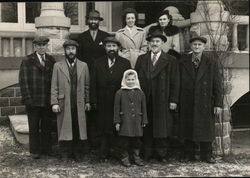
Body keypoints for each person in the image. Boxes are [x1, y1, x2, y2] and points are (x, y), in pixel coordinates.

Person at [134, 30, 180, 162]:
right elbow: (136, 78)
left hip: (163, 99)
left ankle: (162, 154)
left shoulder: (170, 60)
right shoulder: (141, 59)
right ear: (148, 43)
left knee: (162, 127)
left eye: (157, 41)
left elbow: (175, 81)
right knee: (146, 126)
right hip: (145, 98)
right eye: (152, 41)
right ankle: (147, 153)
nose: (154, 44)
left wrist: (174, 100)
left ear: (162, 43)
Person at [179, 35, 223, 164]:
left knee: (206, 128)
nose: (197, 47)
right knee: (187, 127)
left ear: (204, 47)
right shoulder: (183, 61)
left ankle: (207, 155)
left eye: (199, 45)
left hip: (205, 102)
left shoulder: (211, 62)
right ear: (191, 47)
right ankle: (189, 154)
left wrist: (218, 104)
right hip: (187, 100)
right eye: (194, 45)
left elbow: (217, 85)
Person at [90, 36, 131, 161]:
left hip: (119, 100)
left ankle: (118, 152)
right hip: (102, 100)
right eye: (109, 46)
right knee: (103, 125)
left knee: (118, 125)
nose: (111, 49)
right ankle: (103, 152)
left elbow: (129, 82)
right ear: (105, 48)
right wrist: (93, 100)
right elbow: (93, 83)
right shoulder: (97, 62)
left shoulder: (125, 63)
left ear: (118, 48)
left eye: (114, 46)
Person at [50, 40, 91, 161]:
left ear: (76, 50)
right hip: (64, 103)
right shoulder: (58, 66)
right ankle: (64, 153)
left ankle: (77, 152)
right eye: (68, 49)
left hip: (79, 103)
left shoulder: (84, 66)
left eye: (73, 49)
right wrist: (54, 102)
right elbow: (54, 85)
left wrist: (87, 101)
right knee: (64, 127)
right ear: (65, 51)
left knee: (78, 127)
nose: (71, 51)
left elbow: (87, 86)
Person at [76, 9, 110, 151]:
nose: (93, 22)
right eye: (91, 19)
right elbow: (78, 57)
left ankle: (100, 142)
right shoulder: (81, 37)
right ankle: (87, 142)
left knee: (100, 107)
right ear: (87, 21)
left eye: (96, 19)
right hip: (86, 74)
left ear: (99, 21)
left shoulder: (105, 36)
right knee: (87, 107)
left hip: (101, 76)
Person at [19, 36, 56, 159]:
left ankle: (46, 149)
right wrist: (27, 99)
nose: (41, 47)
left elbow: (54, 81)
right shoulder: (27, 60)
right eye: (39, 45)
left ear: (47, 46)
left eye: (44, 45)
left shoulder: (51, 60)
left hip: (46, 100)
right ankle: (34, 150)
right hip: (33, 100)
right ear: (35, 46)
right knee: (34, 126)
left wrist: (53, 99)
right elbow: (23, 81)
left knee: (46, 126)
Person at [114, 69, 148, 167]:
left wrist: (144, 120)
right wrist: (117, 122)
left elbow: (144, 108)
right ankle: (125, 158)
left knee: (137, 141)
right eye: (128, 79)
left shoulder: (140, 93)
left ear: (136, 80)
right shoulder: (119, 93)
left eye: (133, 79)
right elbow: (116, 108)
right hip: (125, 121)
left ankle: (136, 157)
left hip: (137, 122)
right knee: (124, 141)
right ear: (124, 80)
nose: (130, 82)